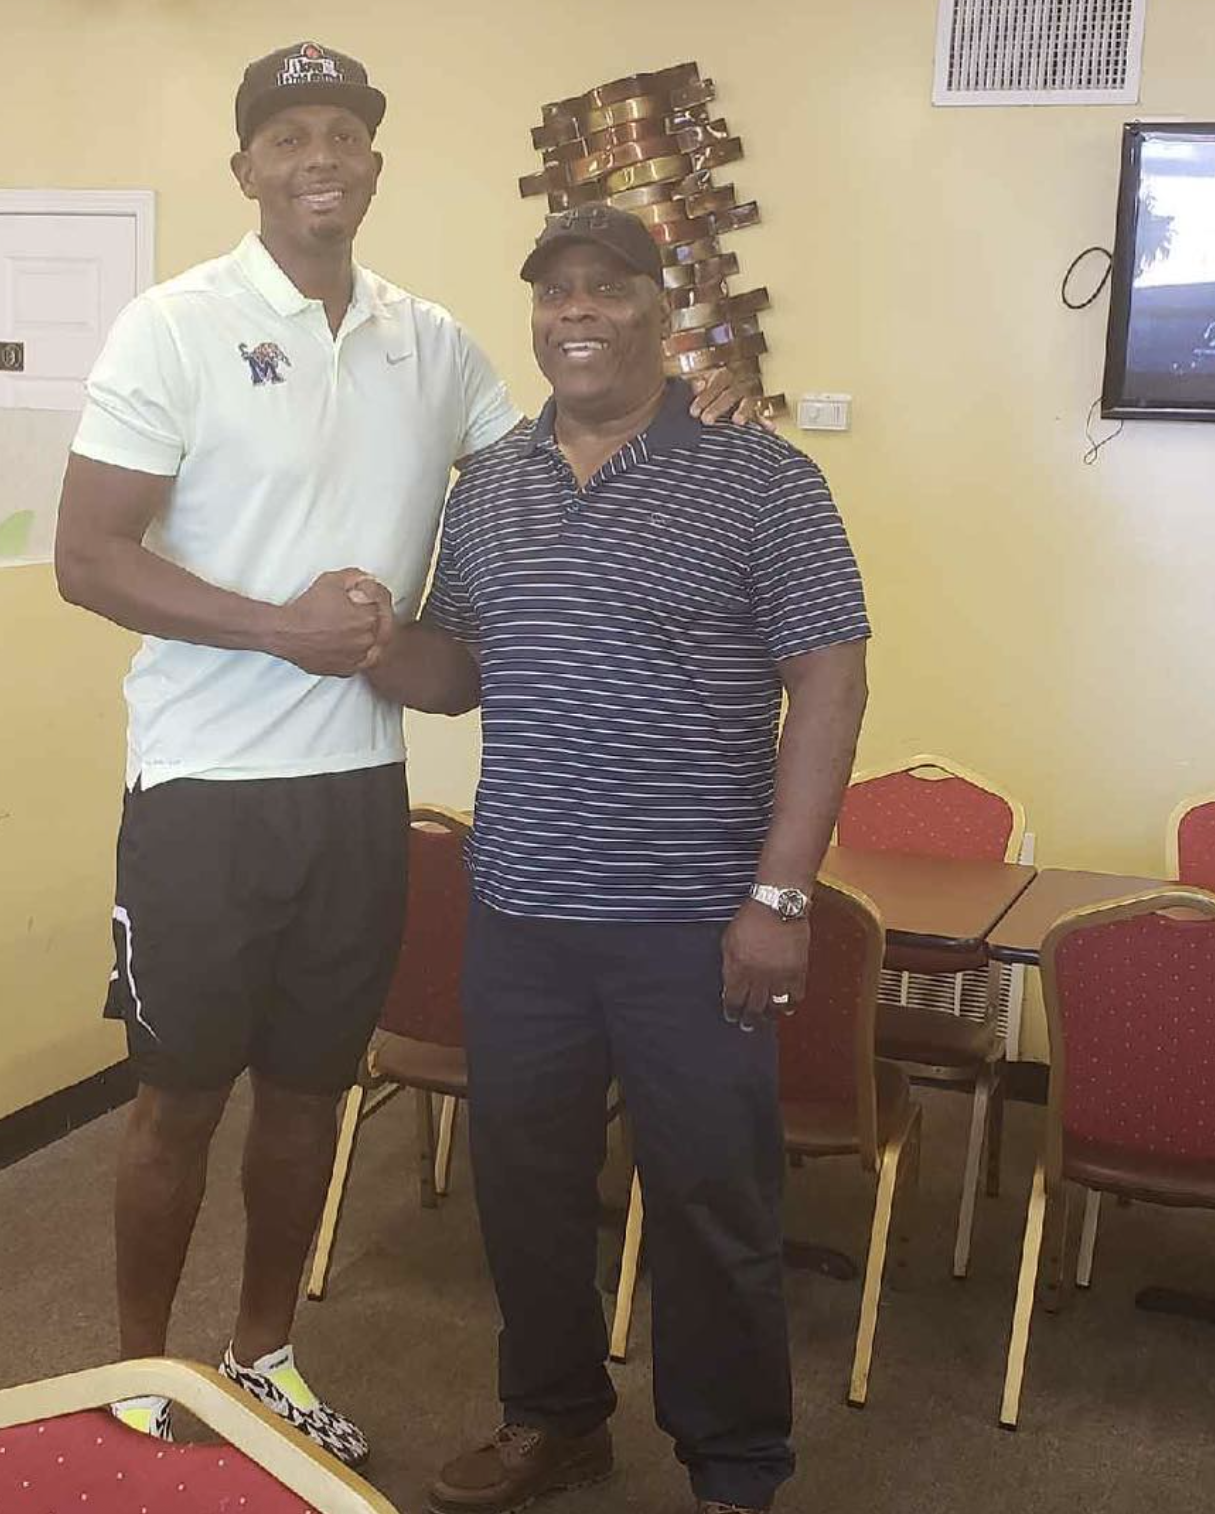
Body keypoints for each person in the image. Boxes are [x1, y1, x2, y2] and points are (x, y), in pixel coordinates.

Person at [54, 43, 754, 1462]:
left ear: (374, 164)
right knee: (176, 1098)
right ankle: (136, 1370)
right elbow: (86, 557)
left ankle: (260, 1355)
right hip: (201, 789)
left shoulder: (427, 341)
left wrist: (693, 403)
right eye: (289, 135)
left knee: (310, 1094)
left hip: (357, 789)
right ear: (245, 166)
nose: (321, 156)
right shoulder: (171, 326)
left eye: (345, 135)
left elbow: (554, 447)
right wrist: (278, 626)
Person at [366, 205, 871, 1514]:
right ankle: (553, 1419)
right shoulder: (492, 487)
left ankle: (734, 1463)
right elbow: (457, 667)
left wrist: (778, 892)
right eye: (553, 292)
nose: (574, 312)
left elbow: (826, 674)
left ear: (662, 310)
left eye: (605, 289)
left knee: (713, 1198)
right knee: (524, 1190)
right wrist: (365, 637)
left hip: (696, 921)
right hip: (522, 911)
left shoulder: (761, 477)